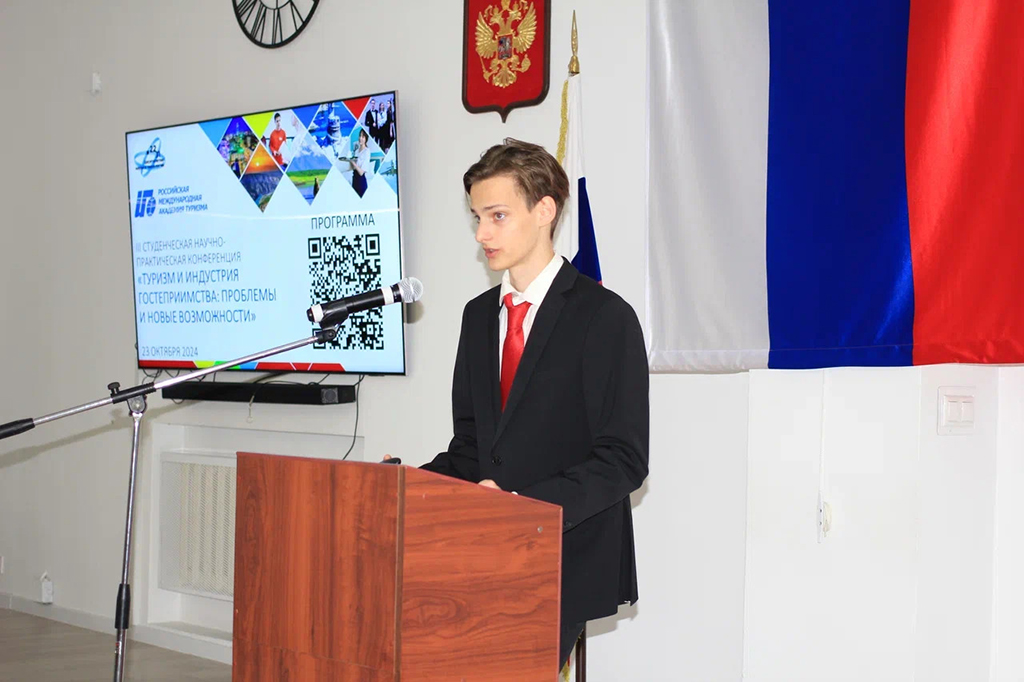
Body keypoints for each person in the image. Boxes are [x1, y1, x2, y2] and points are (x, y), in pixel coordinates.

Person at [417, 138, 650, 671]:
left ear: (544, 210)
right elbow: (473, 447)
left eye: (497, 216)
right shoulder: (478, 316)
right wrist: (409, 483)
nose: (482, 234)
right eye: (477, 218)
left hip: (564, 555)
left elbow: (623, 459)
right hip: (484, 553)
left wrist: (521, 506)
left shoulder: (604, 317)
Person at [347, 128, 373, 197]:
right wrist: (349, 160)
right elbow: (354, 168)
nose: (360, 138)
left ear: (366, 139)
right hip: (354, 179)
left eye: (363, 136)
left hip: (361, 182)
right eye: (360, 136)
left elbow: (361, 172)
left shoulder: (367, 151)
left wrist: (352, 161)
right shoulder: (356, 151)